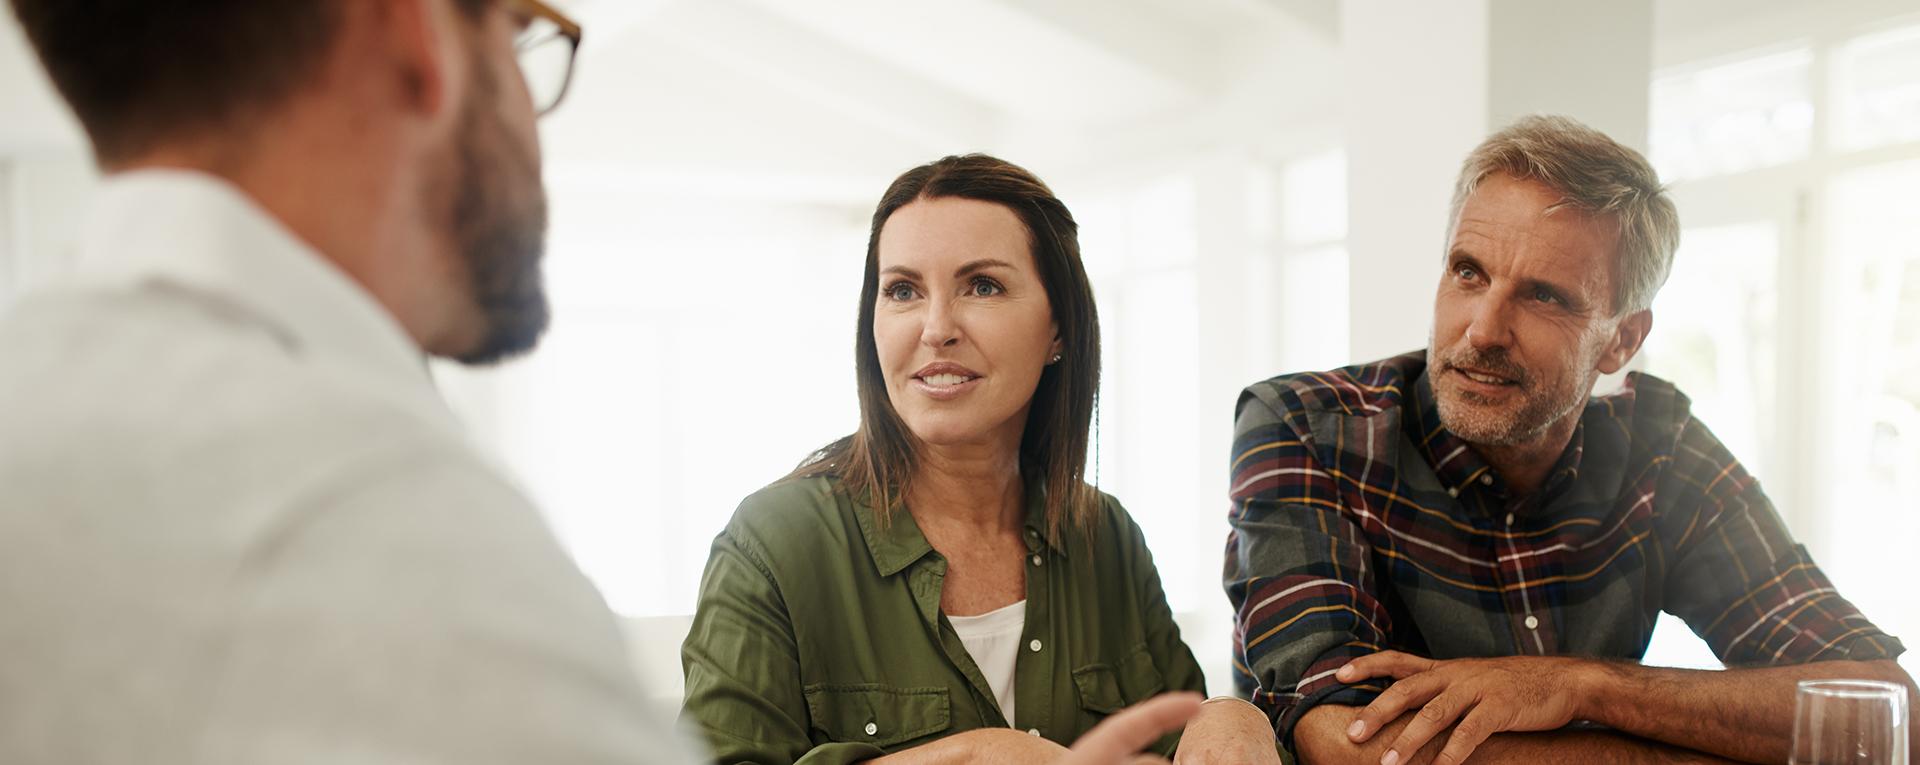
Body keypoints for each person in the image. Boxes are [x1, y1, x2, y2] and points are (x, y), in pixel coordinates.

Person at [1216, 115, 1917, 764]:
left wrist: (1584, 685)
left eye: (1544, 295)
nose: (1484, 328)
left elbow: (1887, 707)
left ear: (1622, 340)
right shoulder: (1306, 425)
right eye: (1469, 271)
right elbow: (1348, 742)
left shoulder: (1660, 448)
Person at [679, 154, 1217, 764]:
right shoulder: (773, 543)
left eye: (982, 285)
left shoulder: (1108, 537)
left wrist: (1233, 716)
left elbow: (1188, 738)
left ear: (1059, 330)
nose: (936, 328)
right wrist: (969, 756)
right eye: (903, 290)